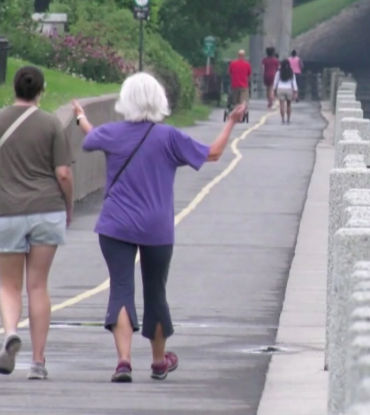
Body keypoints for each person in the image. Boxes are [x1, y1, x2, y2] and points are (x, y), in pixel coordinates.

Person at [71, 73, 245, 383]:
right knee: (156, 292)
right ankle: (158, 361)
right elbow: (214, 153)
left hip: (116, 226)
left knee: (121, 288)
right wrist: (230, 122)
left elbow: (91, 137)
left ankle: (123, 361)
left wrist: (82, 119)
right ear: (159, 100)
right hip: (157, 228)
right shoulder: (169, 137)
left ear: (126, 100)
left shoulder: (112, 133)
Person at [0, 66, 74, 380]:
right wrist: (67, 207)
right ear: (40, 91)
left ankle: (9, 334)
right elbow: (63, 173)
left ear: (15, 88)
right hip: (46, 209)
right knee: (38, 285)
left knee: (9, 285)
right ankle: (38, 362)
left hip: (4, 210)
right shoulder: (52, 124)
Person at [274, 57, 298, 124]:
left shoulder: (279, 72)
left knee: (282, 105)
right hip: (289, 89)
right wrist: (295, 91)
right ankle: (288, 119)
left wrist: (274, 90)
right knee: (289, 105)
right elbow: (294, 82)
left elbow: (275, 82)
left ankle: (282, 119)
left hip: (280, 88)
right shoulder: (291, 73)